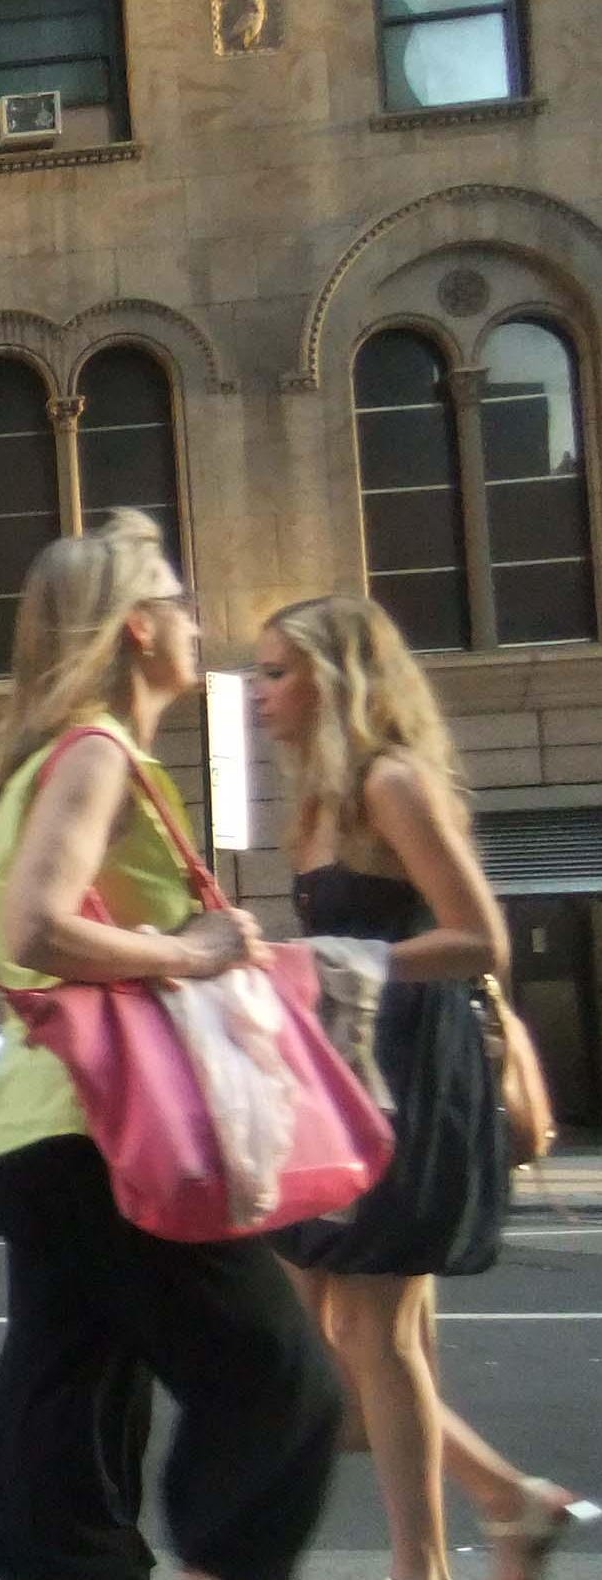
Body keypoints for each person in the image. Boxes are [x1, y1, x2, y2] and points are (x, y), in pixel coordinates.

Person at [0, 510, 343, 1580]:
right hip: (106, 1129)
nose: (197, 620)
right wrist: (193, 949)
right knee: (283, 1383)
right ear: (137, 626)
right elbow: (36, 929)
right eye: (179, 601)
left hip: (38, 1129)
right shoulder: (97, 754)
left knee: (70, 1416)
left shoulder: (55, 759)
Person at [251, 595, 598, 1580]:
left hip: (411, 1072)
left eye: (276, 672)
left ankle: (429, 1562)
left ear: (334, 678)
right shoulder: (315, 804)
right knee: (312, 1348)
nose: (258, 694)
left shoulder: (389, 784)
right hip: (345, 1078)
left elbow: (479, 937)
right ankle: (508, 1501)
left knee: (375, 1331)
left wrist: (341, 961)